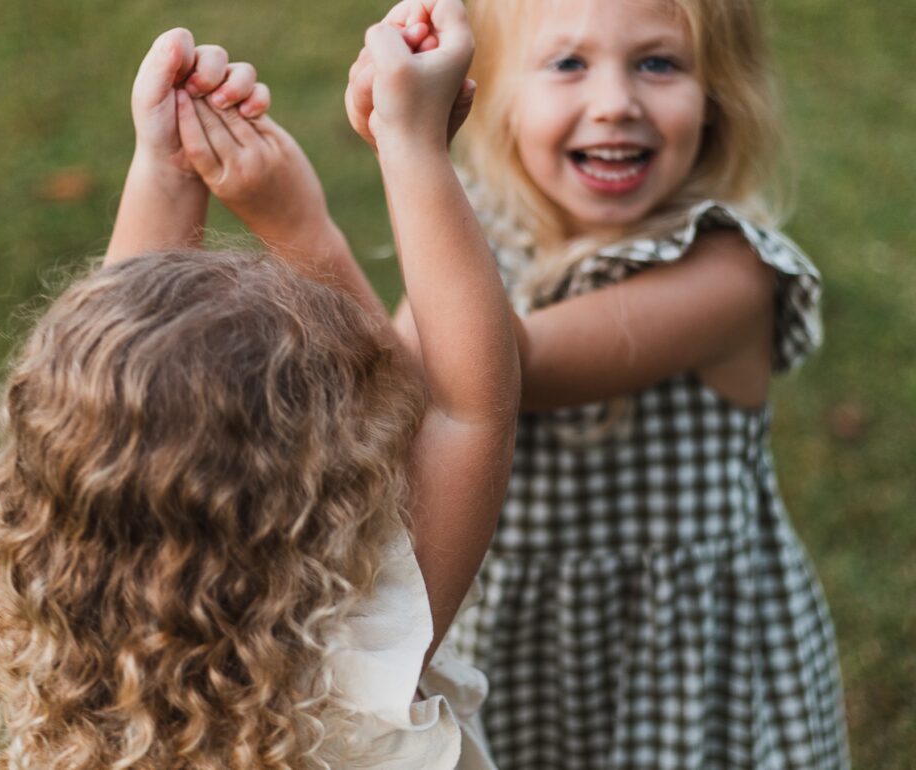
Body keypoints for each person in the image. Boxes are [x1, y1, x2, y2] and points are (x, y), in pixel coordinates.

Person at [0, 13, 516, 769]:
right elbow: (466, 411)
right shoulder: (350, 673)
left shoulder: (20, 612)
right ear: (321, 502)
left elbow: (124, 382)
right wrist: (412, 146)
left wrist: (165, 167)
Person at [345, 0, 850, 767]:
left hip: (674, 668)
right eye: (568, 64)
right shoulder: (488, 234)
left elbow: (500, 370)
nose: (615, 103)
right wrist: (293, 207)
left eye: (659, 62)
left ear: (720, 94)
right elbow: (393, 387)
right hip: (514, 641)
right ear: (493, 92)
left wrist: (412, 154)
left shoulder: (731, 272)